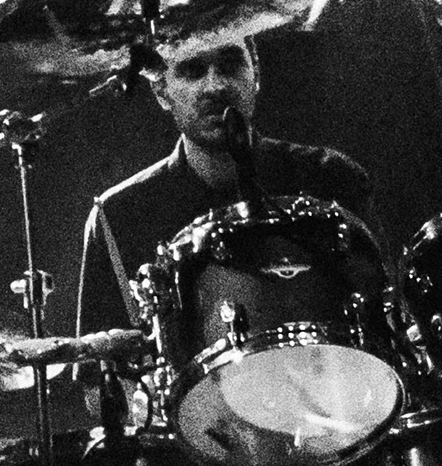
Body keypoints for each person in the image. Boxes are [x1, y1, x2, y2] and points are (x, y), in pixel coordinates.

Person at [76, 31, 375, 335]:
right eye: (192, 71)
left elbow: (384, 323)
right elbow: (99, 361)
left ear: (255, 73)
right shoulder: (118, 216)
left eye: (230, 65)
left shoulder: (331, 177)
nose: (215, 86)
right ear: (161, 92)